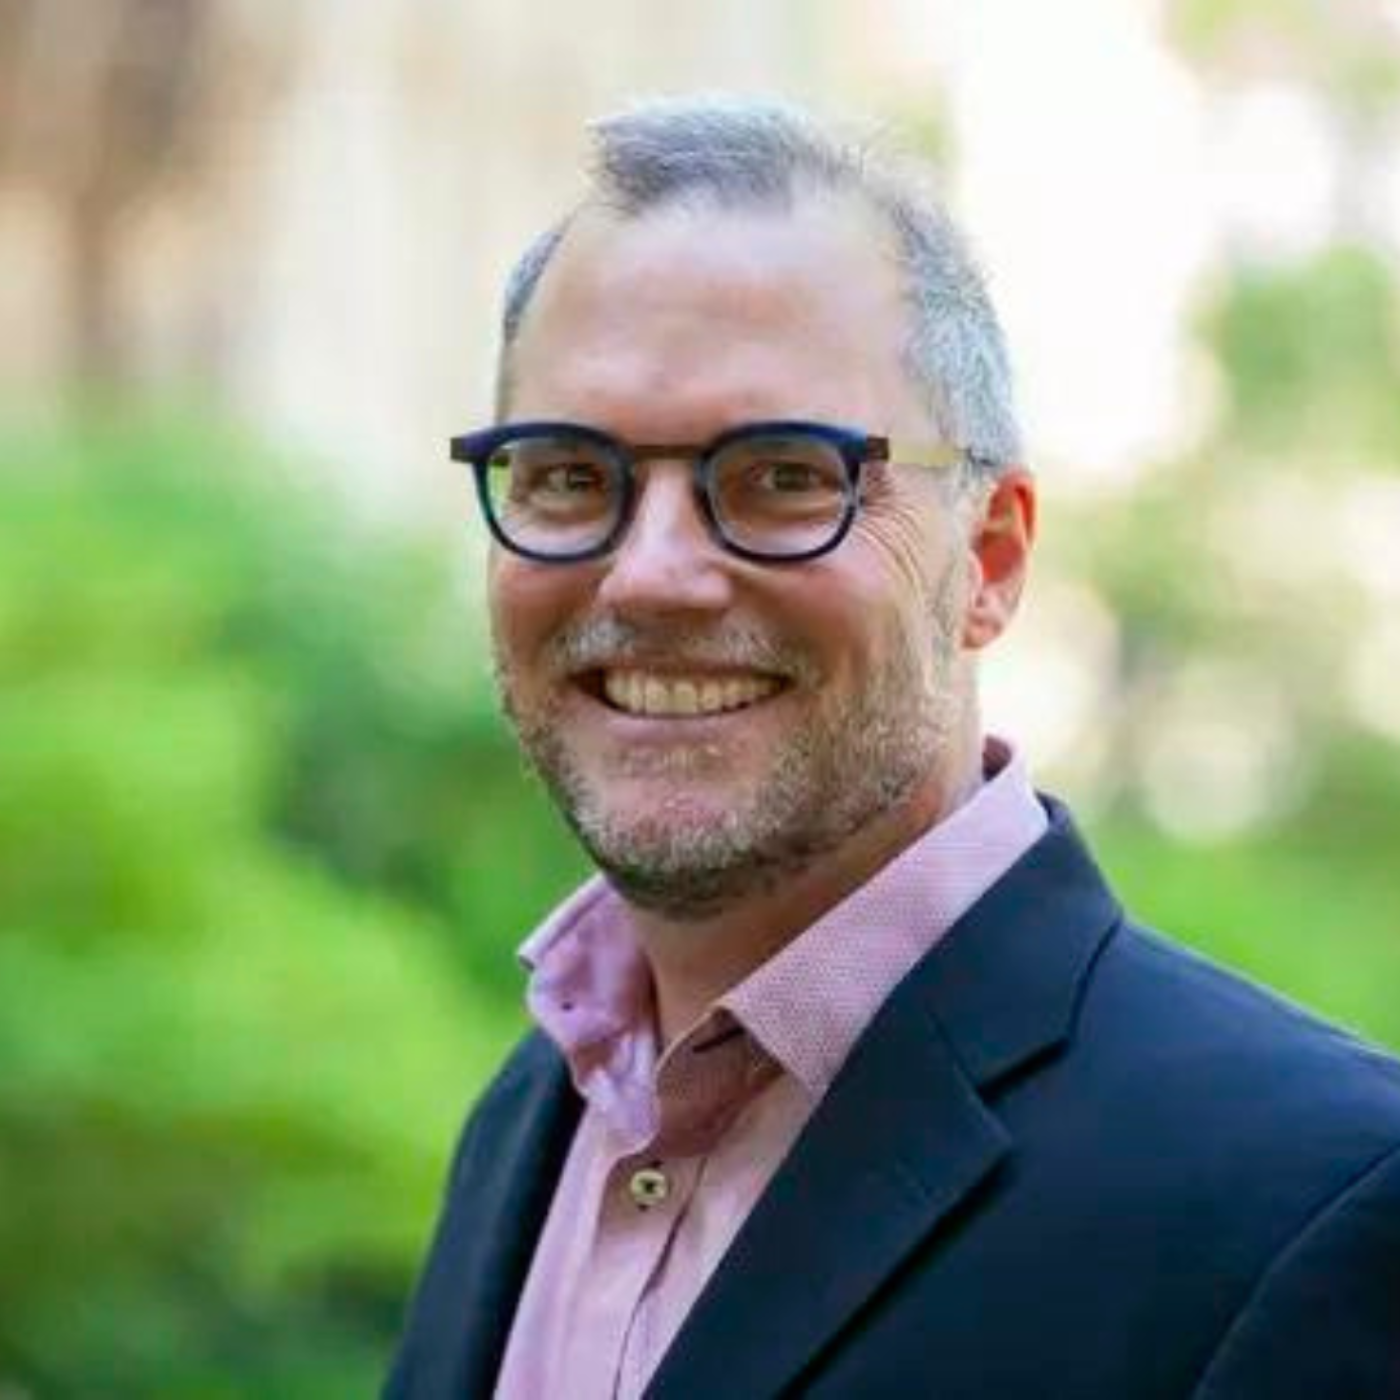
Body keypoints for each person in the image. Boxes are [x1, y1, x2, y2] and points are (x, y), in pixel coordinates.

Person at [386, 96, 1400, 1399]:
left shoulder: (1311, 1204)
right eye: (569, 475)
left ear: (991, 560)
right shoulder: (531, 1124)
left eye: (782, 475)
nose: (649, 575)